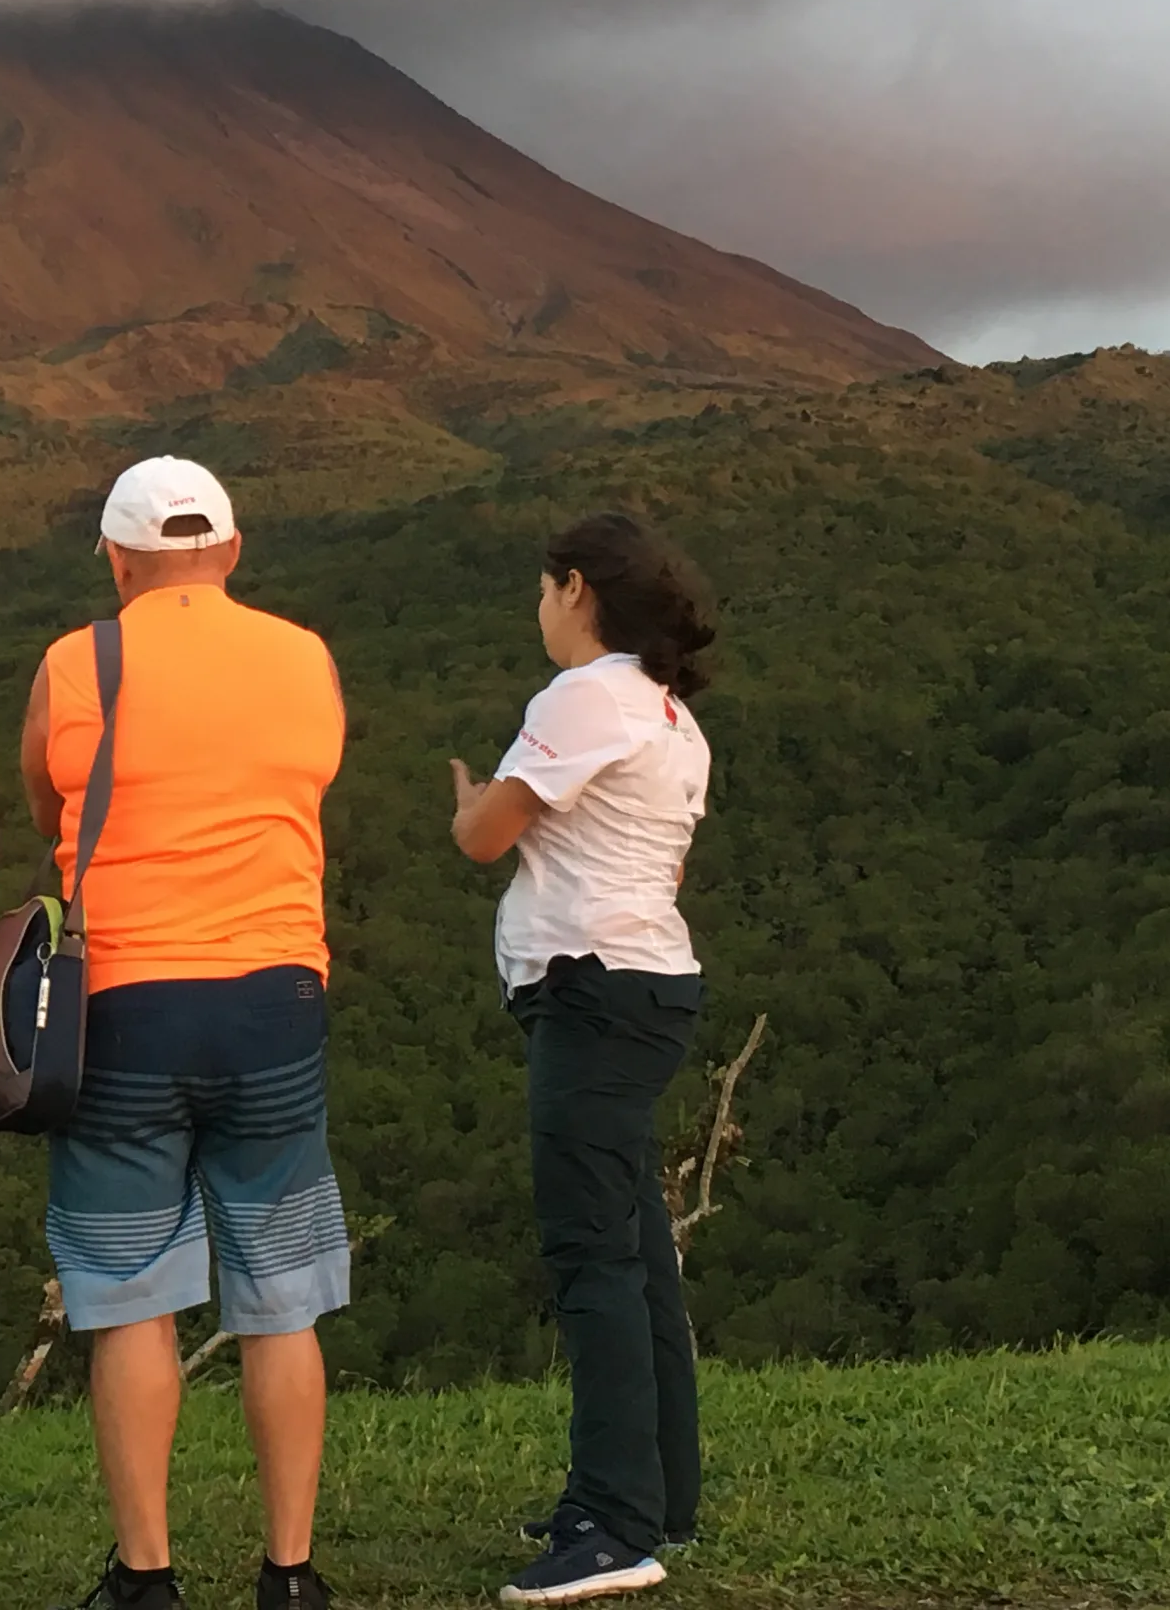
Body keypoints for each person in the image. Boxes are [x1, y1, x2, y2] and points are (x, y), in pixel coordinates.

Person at [19, 457, 350, 1610]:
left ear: (115, 561)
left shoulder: (76, 660)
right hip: (273, 994)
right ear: (233, 550)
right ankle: (290, 1571)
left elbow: (46, 801)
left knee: (129, 1296)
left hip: (123, 1004)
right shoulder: (301, 655)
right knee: (282, 1290)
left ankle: (145, 1577)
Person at [447, 512, 717, 1607]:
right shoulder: (667, 713)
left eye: (544, 588)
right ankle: (658, 1494)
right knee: (635, 1248)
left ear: (572, 590)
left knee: (590, 1257)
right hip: (645, 983)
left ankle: (613, 1523)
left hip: (590, 993)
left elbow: (483, 838)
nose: (539, 608)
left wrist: (470, 800)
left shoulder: (584, 696)